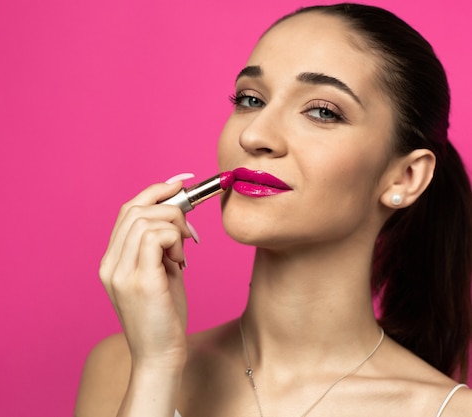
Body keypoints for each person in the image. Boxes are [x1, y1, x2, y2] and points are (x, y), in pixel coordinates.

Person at [75, 3, 472, 416]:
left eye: (322, 111)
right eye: (250, 99)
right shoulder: (123, 368)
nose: (255, 134)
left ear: (404, 177)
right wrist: (156, 367)